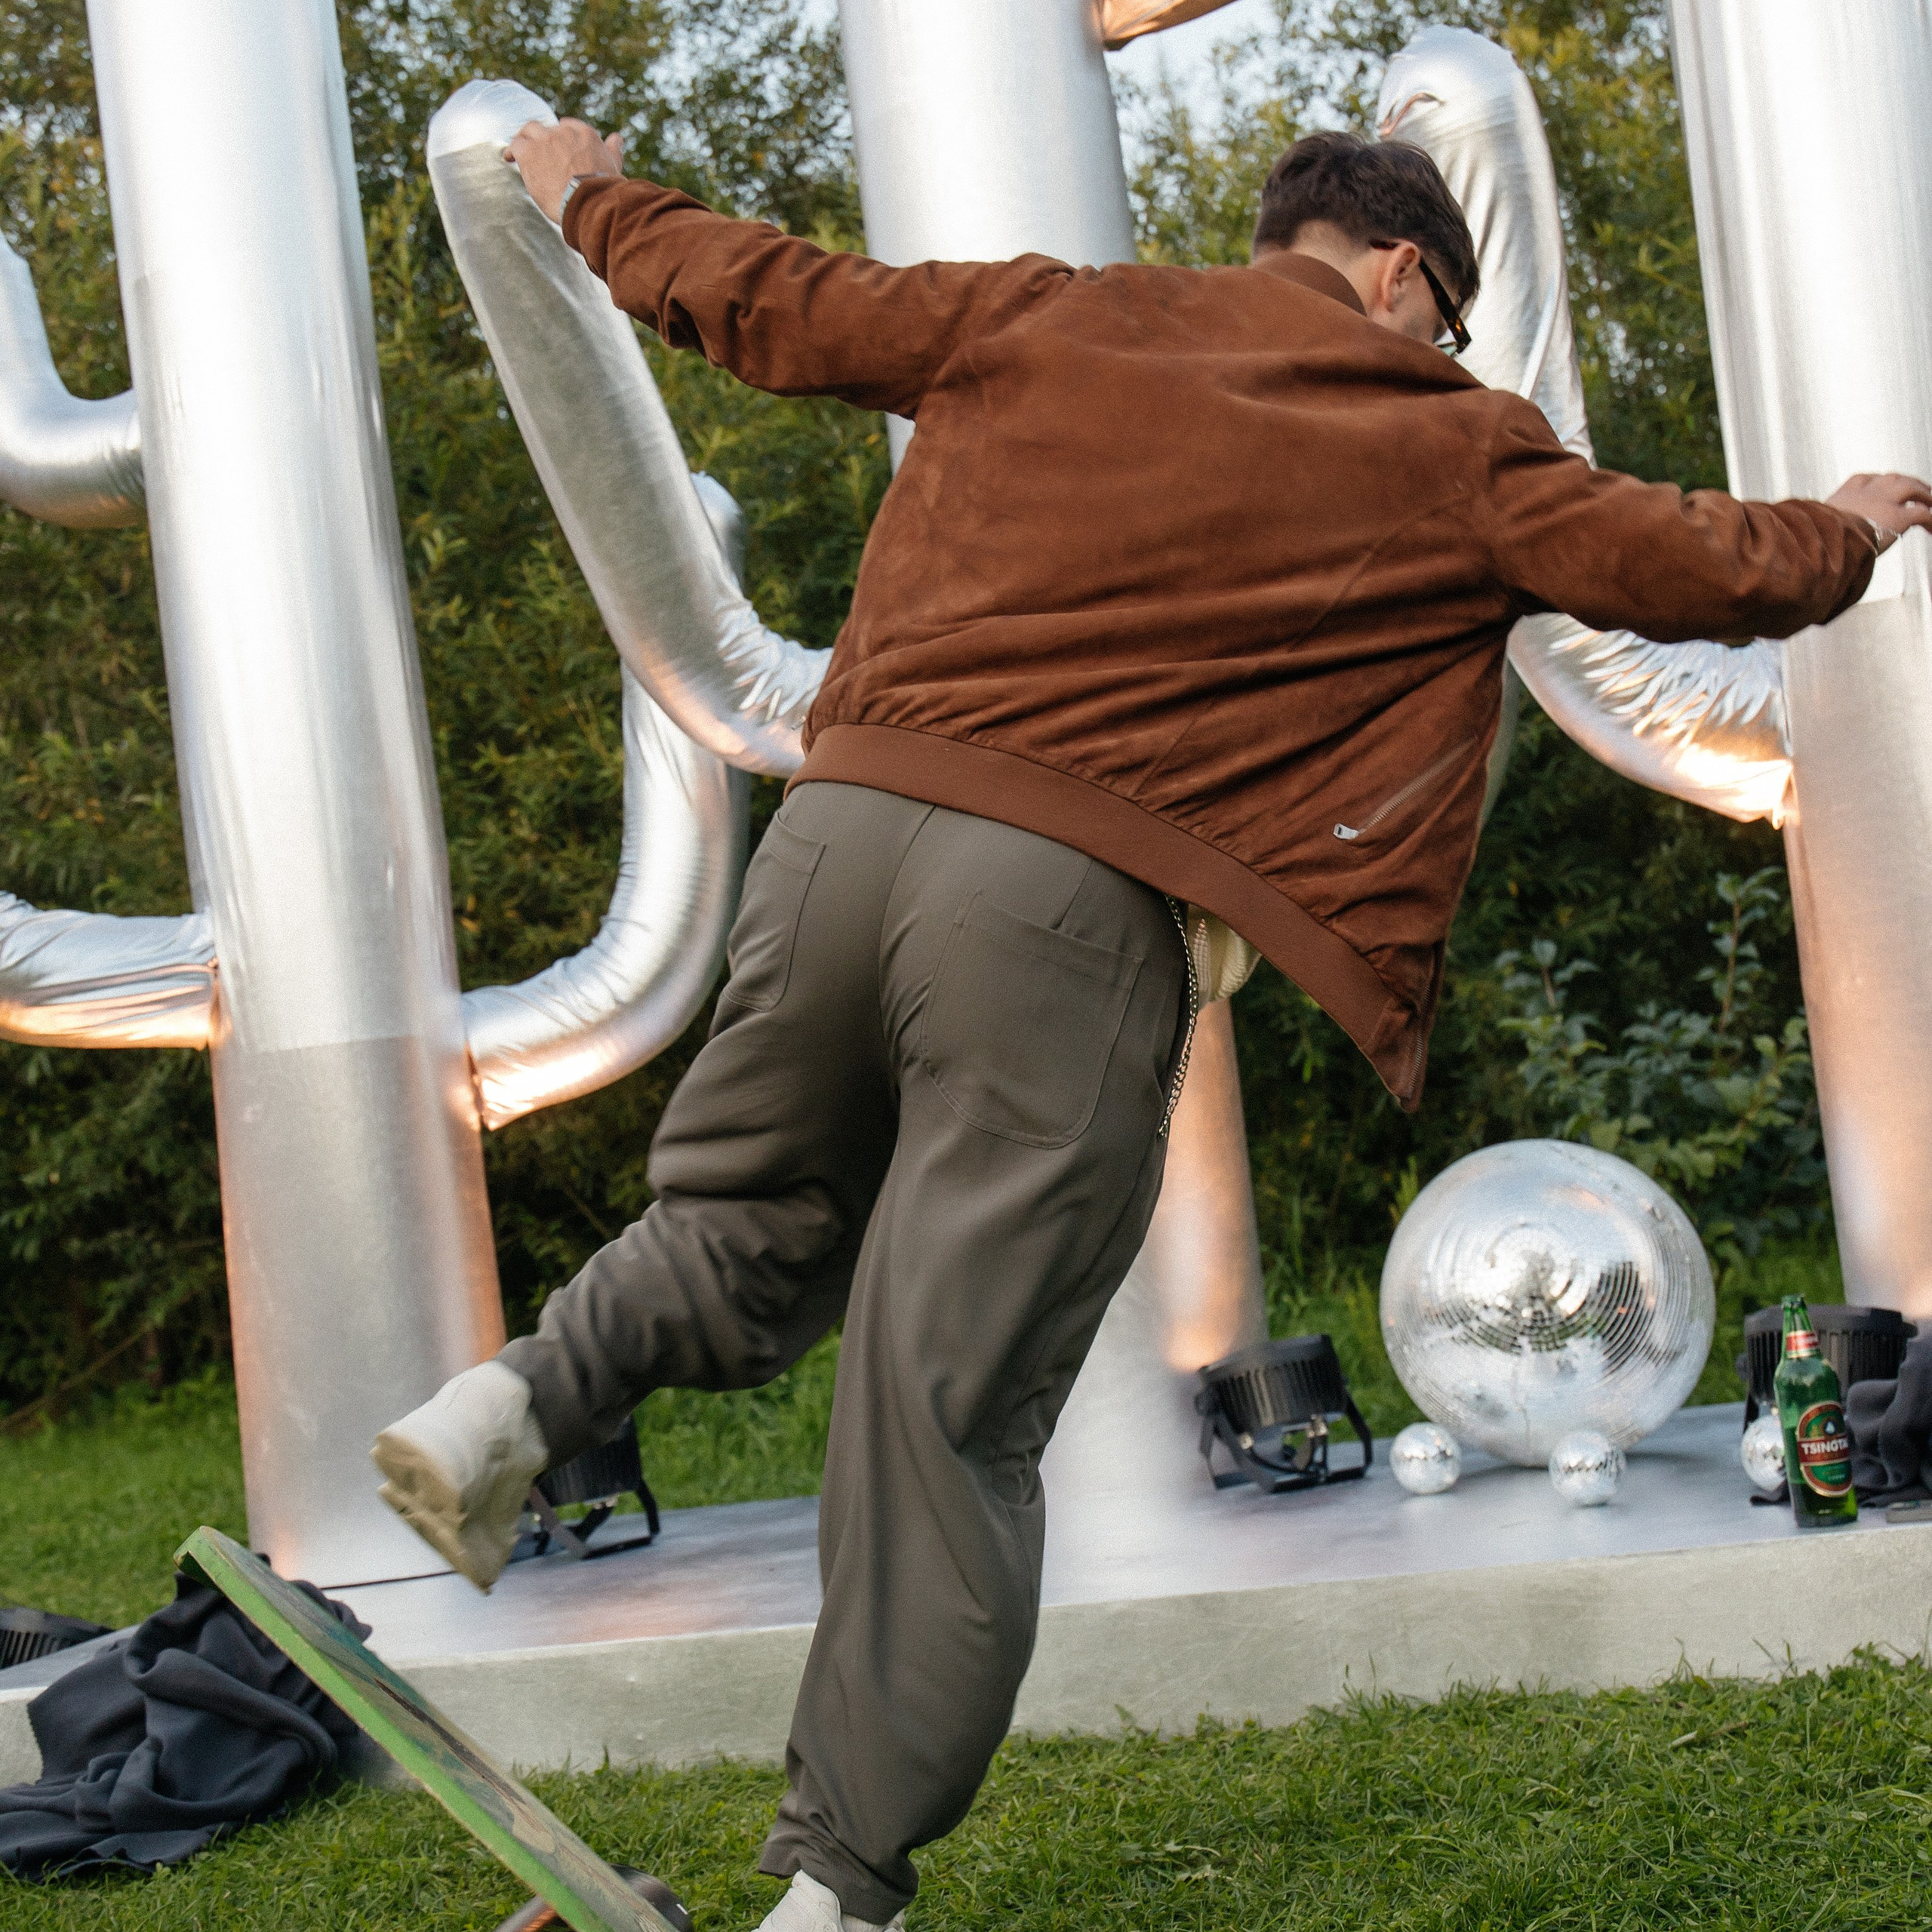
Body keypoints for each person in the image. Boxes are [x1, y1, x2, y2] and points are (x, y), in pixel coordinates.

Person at [373, 127, 1932, 1931]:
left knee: (736, 1224)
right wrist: (1846, 522)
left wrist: (592, 196)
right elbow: (1694, 564)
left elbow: (774, 299)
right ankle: (831, 1900)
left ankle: (501, 1412)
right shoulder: (1439, 430)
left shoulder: (1051, 314)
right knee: (945, 1401)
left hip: (835, 842)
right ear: (1404, 276)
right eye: (1444, 323)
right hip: (1059, 911)